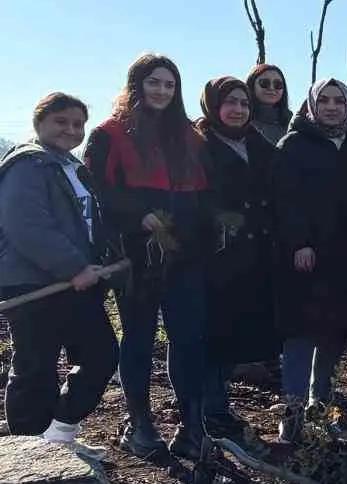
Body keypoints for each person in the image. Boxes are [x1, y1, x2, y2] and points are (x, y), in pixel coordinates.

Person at [86, 54, 212, 459]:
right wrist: (134, 216)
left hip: (185, 254)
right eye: (153, 82)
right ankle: (139, 423)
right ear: (136, 85)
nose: (161, 90)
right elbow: (98, 192)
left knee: (188, 337)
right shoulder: (110, 133)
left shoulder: (191, 137)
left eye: (169, 84)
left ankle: (192, 424)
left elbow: (205, 194)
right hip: (135, 257)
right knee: (138, 337)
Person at [0, 93, 121, 458]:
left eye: (78, 124)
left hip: (76, 281)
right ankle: (28, 456)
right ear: (39, 123)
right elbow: (27, 225)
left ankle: (59, 434)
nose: (71, 130)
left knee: (100, 355)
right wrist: (74, 266)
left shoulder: (72, 166)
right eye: (61, 122)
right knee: (35, 367)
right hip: (34, 282)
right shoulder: (27, 166)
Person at [272, 79, 347, 446]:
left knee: (335, 331)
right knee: (300, 333)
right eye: (324, 101)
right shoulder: (293, 145)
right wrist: (300, 242)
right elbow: (286, 199)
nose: (332, 107)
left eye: (339, 100)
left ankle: (323, 402)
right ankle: (292, 412)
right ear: (312, 105)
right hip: (307, 255)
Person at [193, 76, 278, 453]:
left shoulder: (257, 143)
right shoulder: (198, 146)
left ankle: (218, 405)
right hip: (214, 255)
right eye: (230, 102)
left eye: (244, 103)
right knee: (213, 331)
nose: (238, 109)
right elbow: (194, 199)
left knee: (238, 329)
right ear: (212, 105)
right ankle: (212, 409)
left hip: (255, 253)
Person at [246, 64, 292, 145]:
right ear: (252, 85)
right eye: (264, 83)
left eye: (278, 85)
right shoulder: (241, 122)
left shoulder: (292, 125)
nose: (271, 88)